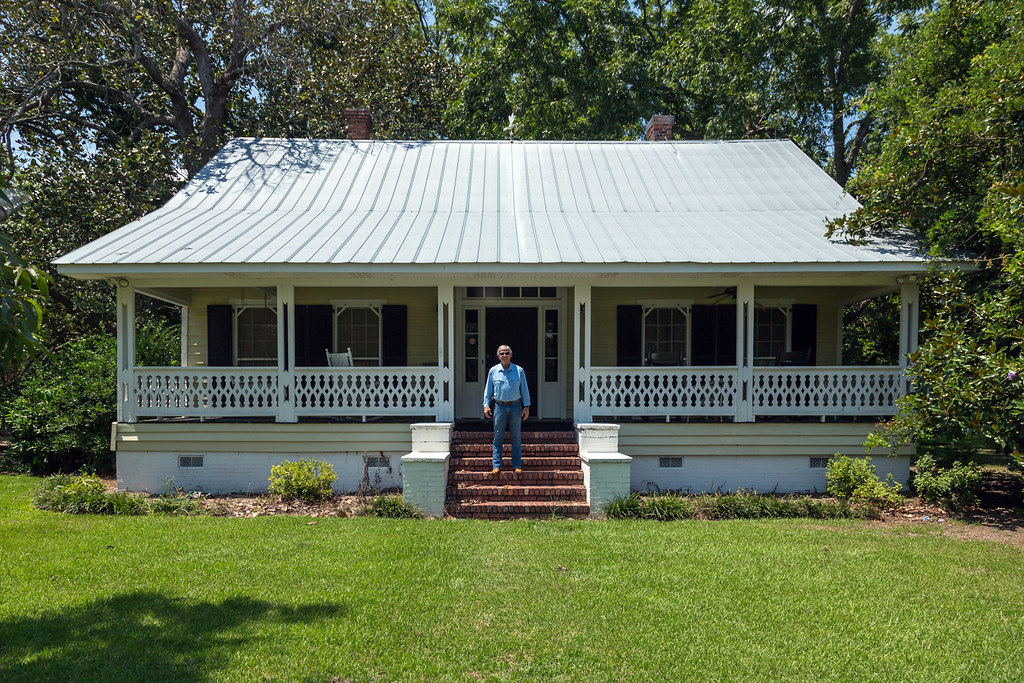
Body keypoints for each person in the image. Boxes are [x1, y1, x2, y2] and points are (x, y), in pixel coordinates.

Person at [482, 344, 531, 475]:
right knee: (498, 437)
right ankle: (496, 465)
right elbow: (488, 390)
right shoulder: (493, 371)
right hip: (499, 407)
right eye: (502, 353)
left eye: (507, 353)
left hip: (516, 406)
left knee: (516, 437)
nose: (504, 355)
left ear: (511, 355)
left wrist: (526, 406)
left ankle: (516, 465)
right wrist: (486, 405)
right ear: (498, 356)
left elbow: (524, 390)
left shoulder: (519, 370)